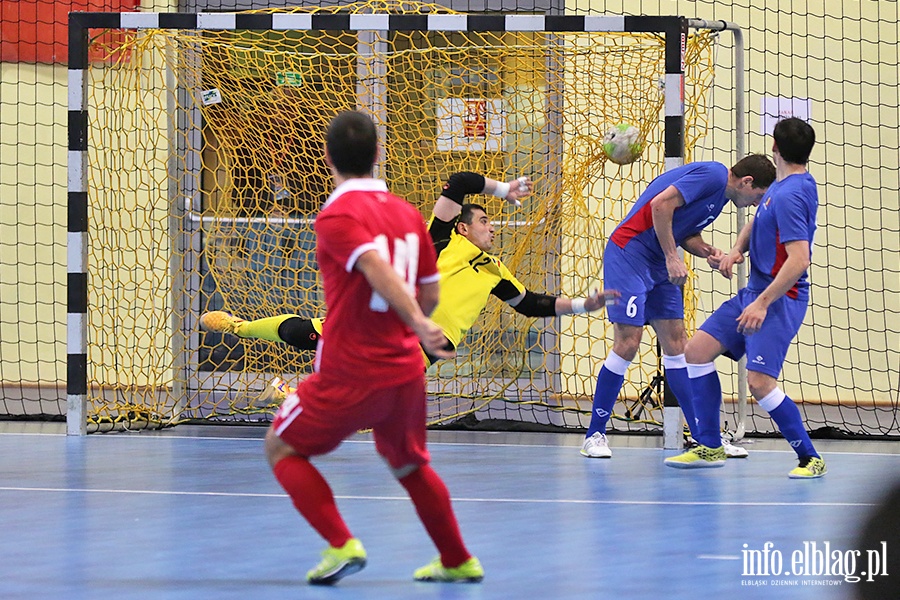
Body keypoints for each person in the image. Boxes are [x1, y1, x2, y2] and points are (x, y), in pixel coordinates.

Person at [264, 110, 483, 586]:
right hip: (405, 369)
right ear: (379, 155)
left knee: (281, 446)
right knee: (408, 463)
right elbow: (428, 290)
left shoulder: (337, 215)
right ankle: (457, 559)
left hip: (351, 368)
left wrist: (416, 319)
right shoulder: (406, 214)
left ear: (327, 158)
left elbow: (374, 267)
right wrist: (418, 322)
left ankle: (342, 543)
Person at [201, 171, 619, 390]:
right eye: (486, 221)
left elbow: (531, 304)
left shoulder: (495, 271)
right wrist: (502, 188)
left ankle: (317, 399)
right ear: (462, 227)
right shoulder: (440, 239)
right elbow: (459, 183)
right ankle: (239, 327)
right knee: (311, 334)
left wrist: (585, 304)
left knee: (386, 385)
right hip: (392, 318)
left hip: (432, 342)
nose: (493, 228)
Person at [581, 154, 776, 459]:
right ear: (747, 182)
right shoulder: (712, 175)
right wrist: (674, 258)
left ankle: (705, 438)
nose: (755, 203)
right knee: (628, 343)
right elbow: (660, 206)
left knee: (677, 345)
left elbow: (684, 232)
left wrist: (707, 251)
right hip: (629, 252)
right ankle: (595, 434)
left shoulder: (721, 198)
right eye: (759, 196)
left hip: (658, 261)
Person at [665, 117, 825, 477]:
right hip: (753, 291)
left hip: (779, 299)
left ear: (774, 147)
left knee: (759, 382)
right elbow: (757, 221)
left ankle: (809, 457)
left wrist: (762, 303)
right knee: (696, 352)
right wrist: (737, 250)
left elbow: (800, 260)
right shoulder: (781, 186)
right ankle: (709, 446)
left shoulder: (794, 194)